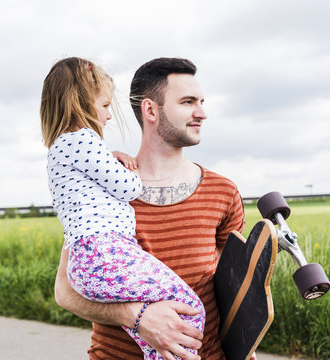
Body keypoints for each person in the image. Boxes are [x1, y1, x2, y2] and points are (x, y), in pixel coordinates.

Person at [53, 57, 247, 360]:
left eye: (201, 101)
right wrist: (137, 317)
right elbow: (65, 291)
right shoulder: (99, 185)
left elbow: (230, 289)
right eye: (188, 102)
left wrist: (244, 347)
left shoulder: (223, 192)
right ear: (151, 110)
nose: (202, 113)